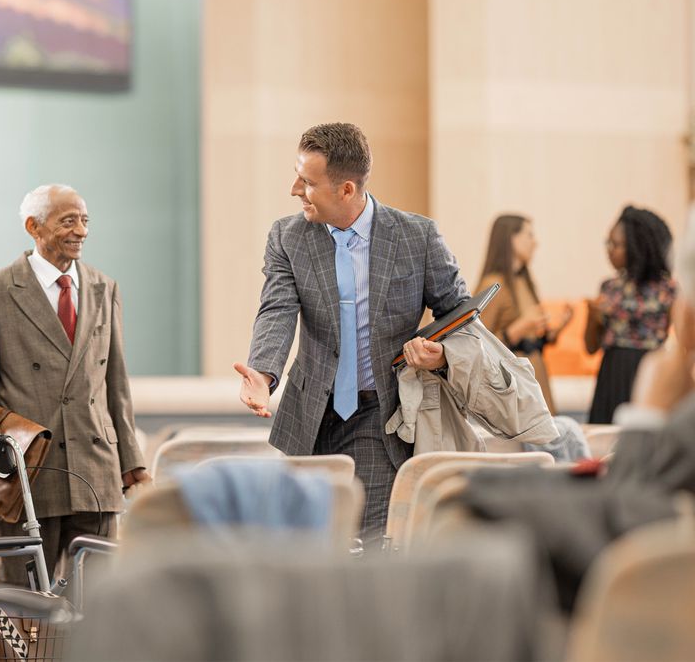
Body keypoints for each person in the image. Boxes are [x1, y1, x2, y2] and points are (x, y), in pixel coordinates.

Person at [235, 123, 469, 537]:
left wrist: (443, 353)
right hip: (308, 417)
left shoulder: (417, 237)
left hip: (379, 416)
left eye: (307, 182)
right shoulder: (287, 237)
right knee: (305, 547)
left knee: (370, 543)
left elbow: (460, 315)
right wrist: (264, 373)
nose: (294, 189)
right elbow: (277, 309)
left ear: (346, 189)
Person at [0, 184, 150, 587]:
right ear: (33, 227)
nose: (81, 231)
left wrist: (133, 463)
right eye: (68, 221)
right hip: (25, 471)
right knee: (21, 598)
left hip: (96, 469)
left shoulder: (103, 288)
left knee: (96, 602)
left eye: (85, 220)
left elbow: (116, 386)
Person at [585, 205, 676, 423]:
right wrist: (592, 317)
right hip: (613, 372)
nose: (609, 250)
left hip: (650, 371)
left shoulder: (667, 290)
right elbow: (590, 347)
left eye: (615, 244)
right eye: (608, 242)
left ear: (638, 247)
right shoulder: (608, 287)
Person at [475, 214, 573, 413]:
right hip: (513, 386)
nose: (535, 243)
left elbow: (531, 338)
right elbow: (477, 345)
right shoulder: (493, 284)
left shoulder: (523, 281)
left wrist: (557, 329)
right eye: (529, 235)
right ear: (511, 238)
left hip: (535, 377)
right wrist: (518, 330)